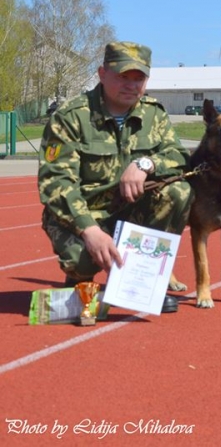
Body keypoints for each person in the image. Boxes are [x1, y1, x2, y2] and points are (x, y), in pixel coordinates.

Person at [38, 41, 193, 313]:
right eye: (123, 76)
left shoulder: (153, 114)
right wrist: (90, 231)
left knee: (179, 192)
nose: (132, 85)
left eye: (139, 78)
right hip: (84, 215)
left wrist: (146, 164)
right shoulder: (71, 117)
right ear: (102, 73)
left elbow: (179, 157)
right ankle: (79, 277)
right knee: (82, 259)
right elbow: (56, 184)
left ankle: (138, 284)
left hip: (130, 211)